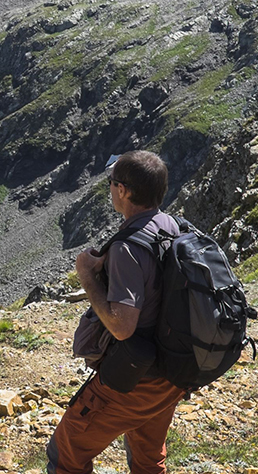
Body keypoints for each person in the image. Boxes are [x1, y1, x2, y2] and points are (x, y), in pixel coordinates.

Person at [47, 150, 185, 474]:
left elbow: (122, 327)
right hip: (170, 372)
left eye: (111, 184)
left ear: (123, 190)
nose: (111, 190)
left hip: (134, 378)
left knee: (66, 451)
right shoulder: (171, 226)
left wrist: (86, 275)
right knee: (148, 457)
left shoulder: (127, 247)